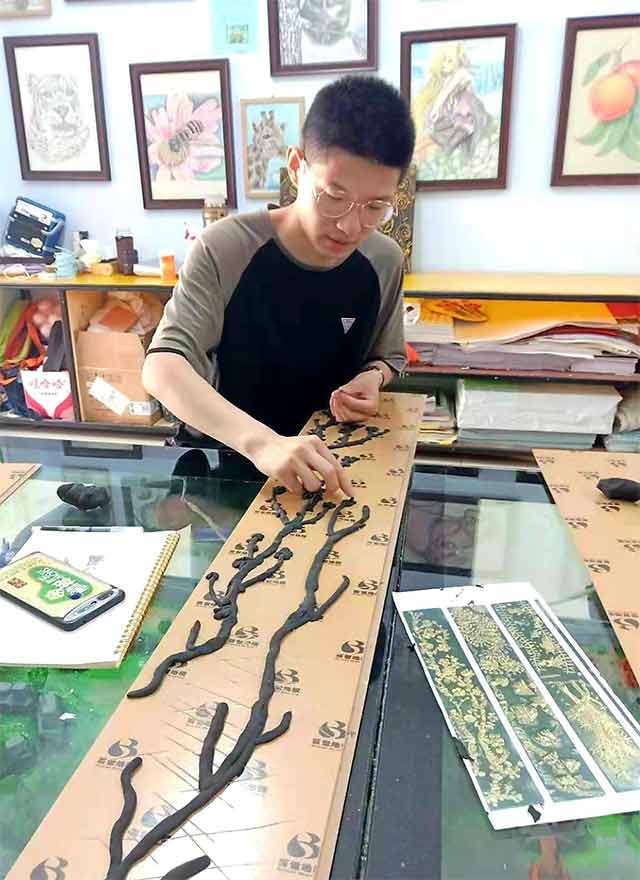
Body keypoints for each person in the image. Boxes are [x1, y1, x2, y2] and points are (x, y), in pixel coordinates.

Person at [143, 75, 415, 496]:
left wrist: (373, 378)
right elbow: (162, 367)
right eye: (333, 196)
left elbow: (387, 355)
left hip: (330, 466)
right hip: (227, 463)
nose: (350, 225)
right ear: (296, 165)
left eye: (375, 207)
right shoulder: (226, 247)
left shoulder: (384, 260)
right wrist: (264, 444)